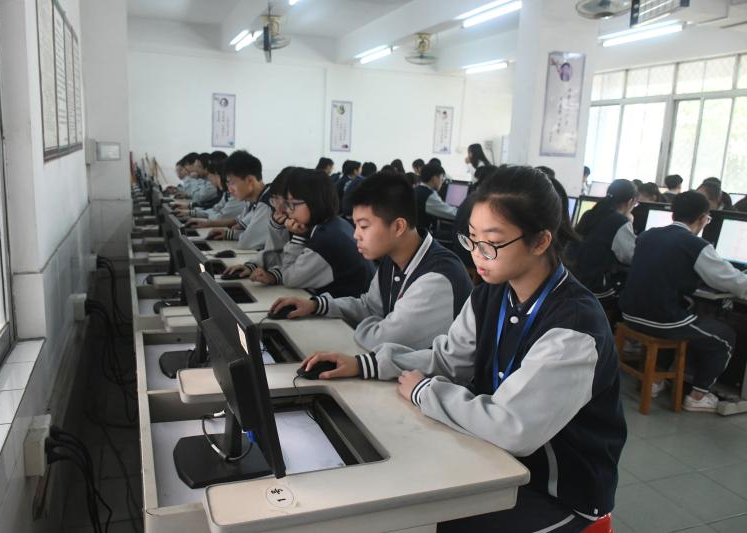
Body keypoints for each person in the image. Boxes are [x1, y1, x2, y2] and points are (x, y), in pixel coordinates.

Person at [299, 166, 626, 531]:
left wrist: (425, 391)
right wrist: (366, 365)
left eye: (491, 244)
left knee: (427, 521)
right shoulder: (491, 293)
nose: (476, 256)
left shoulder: (574, 329)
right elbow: (448, 358)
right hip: (493, 457)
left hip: (558, 492)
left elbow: (513, 427)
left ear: (540, 242)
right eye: (471, 240)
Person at [270, 172, 472, 350]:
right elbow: (370, 307)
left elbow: (383, 340)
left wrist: (375, 324)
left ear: (398, 227)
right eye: (356, 225)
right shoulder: (393, 259)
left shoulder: (436, 278)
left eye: (364, 226)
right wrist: (316, 305)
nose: (355, 235)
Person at [619, 191, 747, 411]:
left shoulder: (649, 235)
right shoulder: (695, 245)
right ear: (702, 218)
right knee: (726, 336)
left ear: (673, 214)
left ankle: (656, 380)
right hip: (662, 320)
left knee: (682, 316)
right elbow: (732, 281)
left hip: (630, 314)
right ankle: (698, 396)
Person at [242, 169, 373, 297]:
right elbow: (300, 263)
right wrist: (274, 275)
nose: (288, 210)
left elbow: (289, 278)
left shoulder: (325, 240)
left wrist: (297, 238)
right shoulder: (332, 223)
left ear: (314, 202)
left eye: (293, 204)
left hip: (346, 309)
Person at [572, 179, 637, 300]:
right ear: (630, 201)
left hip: (575, 279)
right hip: (596, 286)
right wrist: (629, 222)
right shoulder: (619, 221)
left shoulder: (589, 214)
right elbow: (631, 256)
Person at [200, 150, 272, 250]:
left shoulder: (268, 202)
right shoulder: (254, 199)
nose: (229, 190)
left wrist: (231, 234)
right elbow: (239, 224)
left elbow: (246, 243)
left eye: (232, 183)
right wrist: (228, 233)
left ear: (250, 180)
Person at [414, 163, 456, 235]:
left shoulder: (417, 189)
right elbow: (452, 213)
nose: (442, 181)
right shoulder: (429, 195)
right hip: (421, 236)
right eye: (441, 178)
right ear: (434, 178)